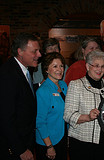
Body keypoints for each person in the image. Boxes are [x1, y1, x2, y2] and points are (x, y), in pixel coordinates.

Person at [63, 49, 104, 160]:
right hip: (81, 143)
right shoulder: (76, 85)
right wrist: (87, 117)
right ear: (87, 66)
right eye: (96, 65)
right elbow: (67, 115)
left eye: (102, 66)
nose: (100, 69)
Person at [0, 32, 41, 160]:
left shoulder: (24, 69)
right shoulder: (8, 75)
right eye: (34, 51)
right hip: (13, 148)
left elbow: (22, 96)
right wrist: (20, 149)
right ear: (20, 52)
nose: (39, 55)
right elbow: (5, 117)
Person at [35, 52, 68, 160]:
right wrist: (49, 146)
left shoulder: (63, 85)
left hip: (62, 137)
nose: (59, 69)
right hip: (48, 142)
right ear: (46, 69)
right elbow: (40, 121)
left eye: (61, 66)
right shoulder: (43, 91)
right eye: (55, 66)